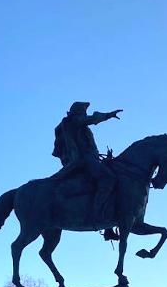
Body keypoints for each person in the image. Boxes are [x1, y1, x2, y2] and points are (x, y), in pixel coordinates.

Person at [52, 101, 122, 238]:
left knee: (114, 173)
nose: (85, 114)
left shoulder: (76, 123)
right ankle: (97, 213)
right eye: (84, 111)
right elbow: (92, 119)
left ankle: (109, 229)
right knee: (109, 178)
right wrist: (108, 115)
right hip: (85, 159)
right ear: (79, 112)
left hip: (92, 158)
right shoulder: (74, 121)